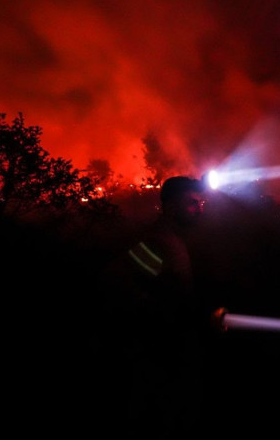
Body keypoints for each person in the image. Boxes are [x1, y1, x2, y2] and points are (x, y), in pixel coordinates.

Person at [97, 175, 215, 439]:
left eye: (202, 202)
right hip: (157, 361)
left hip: (169, 356)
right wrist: (160, 317)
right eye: (193, 203)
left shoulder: (172, 241)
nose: (200, 209)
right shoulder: (160, 242)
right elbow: (115, 280)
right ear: (172, 208)